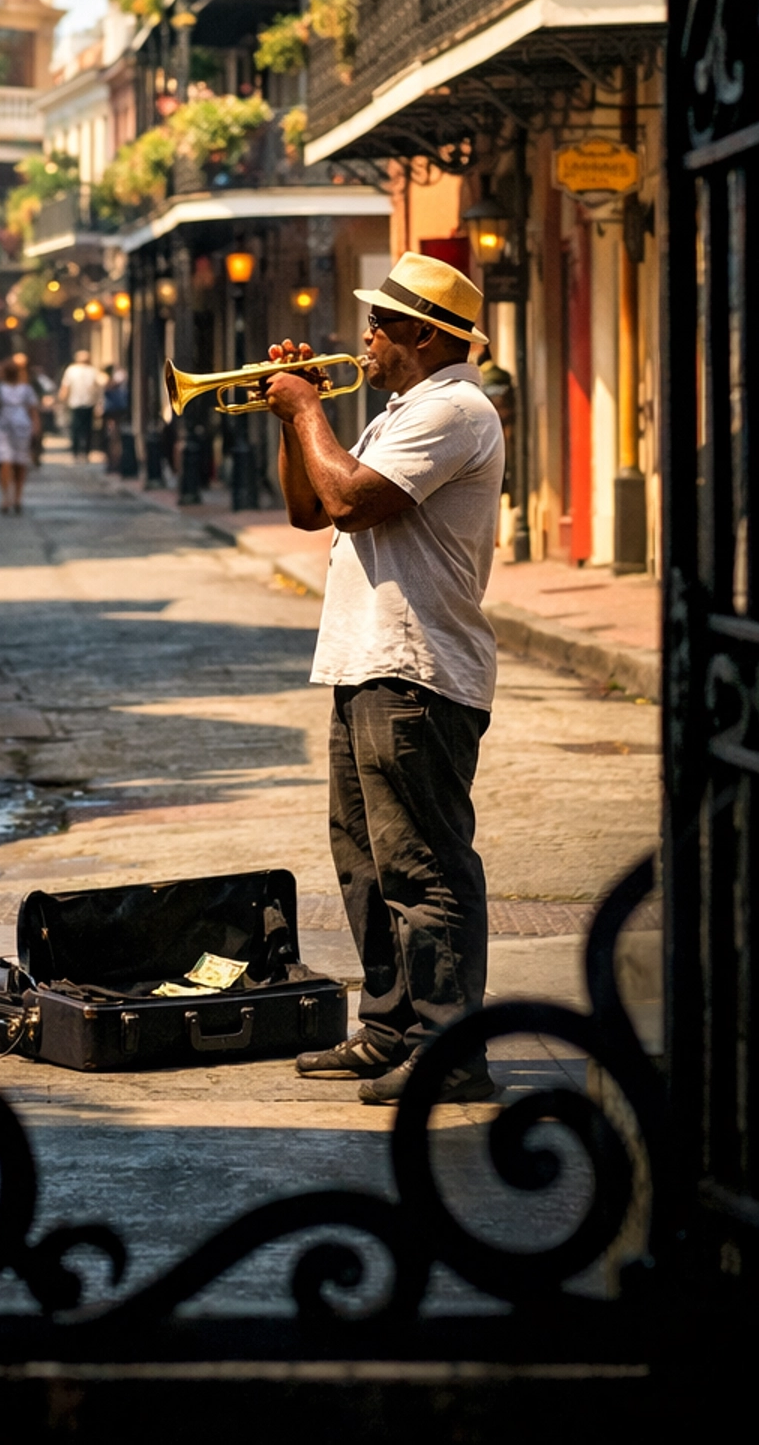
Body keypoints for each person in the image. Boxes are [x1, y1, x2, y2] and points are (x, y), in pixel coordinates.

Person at [262, 250, 504, 1107]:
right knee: (364, 865)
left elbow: (354, 500)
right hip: (367, 662)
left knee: (425, 870)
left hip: (419, 670)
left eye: (377, 322)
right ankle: (391, 1029)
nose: (362, 335)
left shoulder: (453, 409)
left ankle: (451, 1052)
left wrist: (308, 410)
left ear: (418, 334)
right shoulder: (403, 409)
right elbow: (307, 506)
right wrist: (295, 421)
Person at [0, 355, 41, 515]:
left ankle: (6, 497)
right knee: (20, 463)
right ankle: (18, 497)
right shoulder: (26, 389)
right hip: (22, 426)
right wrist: (36, 427)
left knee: (5, 462)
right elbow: (33, 411)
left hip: (4, 425)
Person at [58, 349, 104, 462]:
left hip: (77, 403)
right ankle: (84, 452)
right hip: (86, 403)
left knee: (77, 428)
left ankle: (77, 452)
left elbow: (65, 387)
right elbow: (101, 385)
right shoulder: (92, 370)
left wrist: (62, 400)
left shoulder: (72, 370)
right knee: (86, 429)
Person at [102, 364, 130, 471]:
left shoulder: (117, 380)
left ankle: (115, 463)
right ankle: (113, 462)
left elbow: (110, 388)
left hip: (115, 411)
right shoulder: (118, 379)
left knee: (114, 437)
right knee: (112, 437)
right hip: (114, 412)